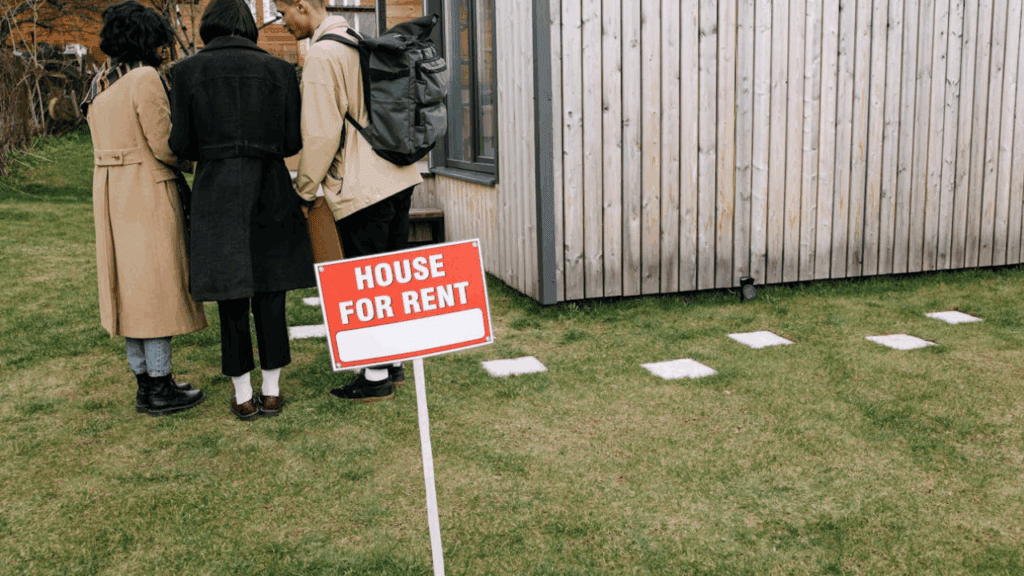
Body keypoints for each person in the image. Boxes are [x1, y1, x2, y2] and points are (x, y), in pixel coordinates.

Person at [169, 0, 315, 421]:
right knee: (271, 289)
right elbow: (292, 141)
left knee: (230, 295)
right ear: (249, 26)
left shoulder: (186, 72)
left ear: (209, 26)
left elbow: (180, 144)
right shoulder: (281, 70)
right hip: (270, 183)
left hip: (217, 189)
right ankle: (272, 391)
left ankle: (242, 395)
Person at [277, 0, 423, 402]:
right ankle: (392, 364)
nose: (282, 22)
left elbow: (321, 135)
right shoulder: (358, 40)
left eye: (283, 12)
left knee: (366, 282)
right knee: (389, 279)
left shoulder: (323, 55)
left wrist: (305, 190)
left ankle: (374, 376)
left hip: (362, 186)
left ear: (301, 6)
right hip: (397, 173)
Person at [81, 0, 207, 417]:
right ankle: (159, 385)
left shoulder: (100, 81)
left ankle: (146, 383)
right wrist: (194, 159)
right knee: (154, 288)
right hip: (146, 189)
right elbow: (164, 143)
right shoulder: (144, 77)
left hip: (110, 190)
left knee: (129, 289)